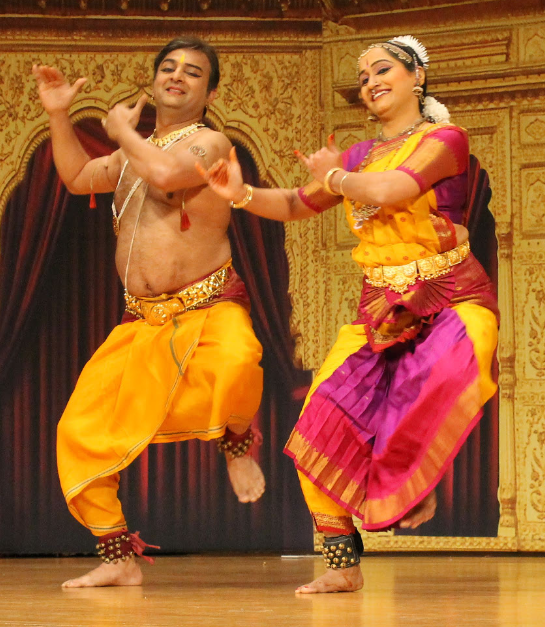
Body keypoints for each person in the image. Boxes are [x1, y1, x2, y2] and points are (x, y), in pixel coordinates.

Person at [198, 35, 499, 594]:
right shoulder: (358, 154)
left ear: (417, 76)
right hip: (379, 311)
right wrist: (240, 193)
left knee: (445, 378)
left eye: (382, 70)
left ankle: (413, 480)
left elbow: (394, 188)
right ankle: (342, 565)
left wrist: (336, 176)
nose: (370, 83)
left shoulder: (445, 140)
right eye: (362, 78)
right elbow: (292, 204)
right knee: (319, 424)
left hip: (450, 301)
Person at [32, 36, 265, 588]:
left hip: (210, 307)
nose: (177, 76)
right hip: (143, 322)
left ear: (209, 90)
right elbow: (76, 178)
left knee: (238, 360)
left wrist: (122, 134)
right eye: (168, 67)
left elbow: (165, 175)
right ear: (154, 80)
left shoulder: (212, 143)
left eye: (192, 71)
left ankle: (235, 442)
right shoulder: (133, 151)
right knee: (79, 430)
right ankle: (118, 559)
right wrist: (60, 117)